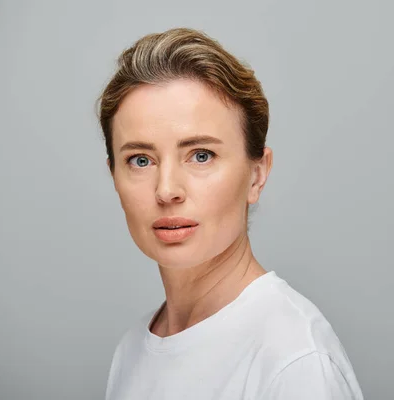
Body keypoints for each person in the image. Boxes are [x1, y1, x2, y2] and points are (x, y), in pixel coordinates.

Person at [98, 27, 364, 400]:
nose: (167, 190)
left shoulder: (295, 363)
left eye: (201, 155)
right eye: (140, 160)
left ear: (257, 174)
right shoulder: (132, 352)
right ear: (114, 175)